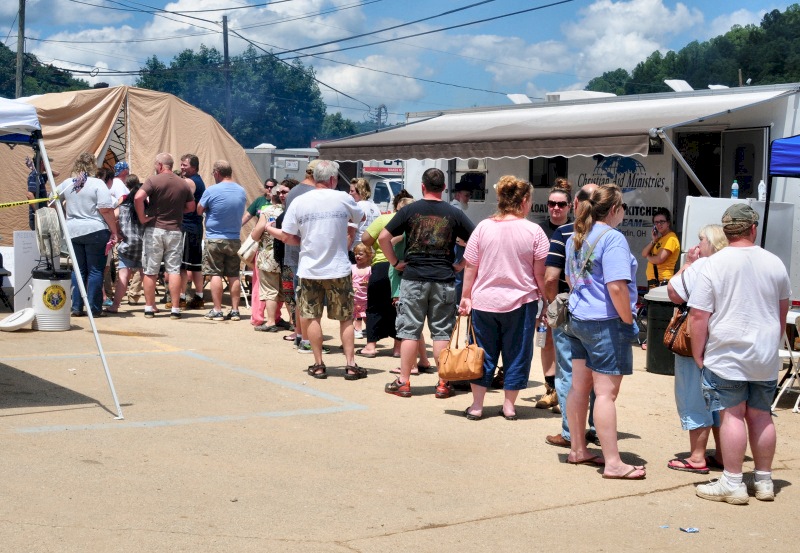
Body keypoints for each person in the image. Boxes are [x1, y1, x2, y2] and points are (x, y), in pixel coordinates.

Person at [691, 204, 791, 504]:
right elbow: (781, 309)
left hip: (726, 351)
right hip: (763, 354)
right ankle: (763, 480)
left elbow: (699, 315)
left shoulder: (714, 264)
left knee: (732, 413)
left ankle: (733, 481)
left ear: (726, 231)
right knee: (761, 415)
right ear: (752, 228)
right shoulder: (774, 262)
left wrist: (698, 353)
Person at [564, 183, 644, 479]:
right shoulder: (613, 238)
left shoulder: (578, 235)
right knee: (606, 395)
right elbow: (616, 286)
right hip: (606, 321)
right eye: (622, 208)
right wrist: (628, 319)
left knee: (579, 387)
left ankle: (577, 448)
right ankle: (613, 462)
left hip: (579, 318)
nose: (623, 213)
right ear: (614, 209)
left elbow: (574, 279)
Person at [380, 168, 475, 399]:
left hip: (413, 277)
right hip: (444, 278)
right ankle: (443, 383)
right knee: (441, 332)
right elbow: (477, 239)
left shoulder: (410, 210)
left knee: (410, 330)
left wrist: (394, 261)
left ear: (422, 186)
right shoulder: (453, 213)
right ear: (444, 188)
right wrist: (461, 264)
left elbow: (383, 237)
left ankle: (404, 381)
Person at [458, 175, 548, 420]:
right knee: (517, 353)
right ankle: (509, 406)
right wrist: (546, 299)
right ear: (525, 201)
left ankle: (477, 405)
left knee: (481, 353)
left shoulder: (483, 228)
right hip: (522, 302)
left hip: (484, 301)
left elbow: (470, 267)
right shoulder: (534, 231)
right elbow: (540, 272)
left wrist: (466, 296)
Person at [267, 160, 365, 380]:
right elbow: (361, 217)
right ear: (332, 179)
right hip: (338, 268)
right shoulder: (343, 198)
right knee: (345, 318)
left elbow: (288, 235)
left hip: (309, 269)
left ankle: (318, 364)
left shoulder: (300, 201)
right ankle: (350, 364)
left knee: (312, 317)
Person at [665, 224, 727, 474]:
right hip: (724, 343)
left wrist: (688, 264)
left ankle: (697, 456)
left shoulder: (703, 265)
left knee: (693, 395)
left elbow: (674, 293)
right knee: (721, 401)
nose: (697, 245)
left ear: (711, 243)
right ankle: (724, 455)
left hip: (697, 342)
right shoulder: (732, 265)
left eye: (701, 240)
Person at [543, 182, 599, 449]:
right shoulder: (609, 235)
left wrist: (553, 305)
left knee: (569, 374)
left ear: (575, 205)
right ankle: (597, 427)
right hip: (601, 313)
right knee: (600, 374)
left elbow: (551, 277)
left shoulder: (564, 233)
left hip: (569, 310)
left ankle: (569, 432)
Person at [55, 153, 119, 317]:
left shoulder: (68, 184)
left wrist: (65, 214)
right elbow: (105, 208)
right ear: (93, 166)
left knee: (78, 270)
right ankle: (94, 308)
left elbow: (52, 199)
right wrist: (114, 230)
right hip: (95, 230)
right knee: (95, 270)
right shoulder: (97, 183)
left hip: (73, 231)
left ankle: (76, 307)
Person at [134, 153, 196, 320]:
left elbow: (138, 197)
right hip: (175, 230)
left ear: (160, 165)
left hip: (155, 229)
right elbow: (191, 206)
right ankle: (175, 308)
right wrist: (177, 211)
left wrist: (142, 217)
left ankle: (149, 307)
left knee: (150, 270)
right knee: (174, 269)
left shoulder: (153, 181)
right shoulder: (182, 183)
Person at [357, 190, 414, 359]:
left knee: (375, 305)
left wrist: (376, 246)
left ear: (397, 206)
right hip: (406, 268)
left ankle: (371, 346)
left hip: (382, 265)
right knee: (399, 308)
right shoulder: (415, 222)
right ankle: (397, 348)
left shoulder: (384, 219)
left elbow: (365, 239)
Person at [536, 179, 572, 412]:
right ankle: (551, 389)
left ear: (570, 206)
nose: (556, 208)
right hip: (545, 295)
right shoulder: (538, 230)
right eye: (552, 204)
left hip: (571, 297)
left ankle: (565, 392)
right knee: (546, 341)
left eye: (561, 204)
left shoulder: (576, 230)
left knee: (569, 345)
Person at [197, 160, 248, 322]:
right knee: (234, 275)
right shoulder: (241, 190)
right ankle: (235, 311)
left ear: (217, 172)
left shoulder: (212, 190)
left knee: (215, 274)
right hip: (234, 238)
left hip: (214, 238)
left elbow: (199, 209)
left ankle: (217, 310)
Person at [107, 174, 145, 313]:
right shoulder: (147, 208)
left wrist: (117, 232)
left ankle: (115, 305)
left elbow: (111, 217)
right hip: (144, 246)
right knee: (145, 275)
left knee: (123, 276)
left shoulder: (123, 207)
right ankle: (150, 305)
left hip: (127, 245)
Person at [250, 183, 286, 332]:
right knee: (284, 290)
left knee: (270, 290)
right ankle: (291, 321)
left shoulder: (267, 211)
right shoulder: (288, 211)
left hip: (268, 255)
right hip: (285, 255)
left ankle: (271, 321)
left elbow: (256, 233)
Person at [176, 154, 207, 310]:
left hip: (187, 226)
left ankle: (181, 298)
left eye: (185, 165)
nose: (182, 167)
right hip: (195, 226)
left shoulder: (189, 182)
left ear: (194, 167)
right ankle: (199, 297)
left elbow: (179, 201)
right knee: (195, 265)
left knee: (182, 266)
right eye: (181, 165)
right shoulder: (199, 181)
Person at [641, 208, 679, 288]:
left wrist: (648, 256)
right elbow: (644, 253)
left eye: (662, 222)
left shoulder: (671, 238)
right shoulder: (660, 238)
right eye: (656, 222)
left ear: (668, 223)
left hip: (662, 282)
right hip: (655, 282)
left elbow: (659, 259)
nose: (659, 224)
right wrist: (653, 240)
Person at [349, 178, 381, 262]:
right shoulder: (375, 207)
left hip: (356, 250)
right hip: (370, 250)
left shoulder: (356, 207)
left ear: (360, 191)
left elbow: (351, 232)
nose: (349, 194)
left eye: (352, 191)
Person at [450, 178, 471, 304]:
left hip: (458, 245)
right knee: (458, 276)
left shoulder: (456, 208)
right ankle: (456, 304)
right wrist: (464, 242)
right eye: (466, 195)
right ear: (458, 194)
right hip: (457, 246)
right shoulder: (456, 208)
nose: (468, 198)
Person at [351, 243, 372, 339]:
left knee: (366, 316)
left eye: (360, 254)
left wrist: (368, 283)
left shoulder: (370, 269)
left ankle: (370, 332)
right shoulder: (352, 267)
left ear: (368, 256)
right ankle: (354, 332)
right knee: (352, 317)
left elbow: (372, 283)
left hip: (366, 299)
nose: (357, 256)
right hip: (354, 298)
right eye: (355, 254)